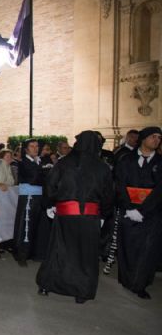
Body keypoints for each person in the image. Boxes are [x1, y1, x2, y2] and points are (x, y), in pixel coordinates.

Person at [36, 131, 114, 304]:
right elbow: (108, 195)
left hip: (65, 214)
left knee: (58, 250)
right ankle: (82, 291)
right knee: (85, 255)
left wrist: (49, 204)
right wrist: (104, 214)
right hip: (90, 217)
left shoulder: (64, 163)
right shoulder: (102, 167)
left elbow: (50, 185)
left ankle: (47, 285)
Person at [114, 126, 162, 299]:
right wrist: (129, 207)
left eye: (159, 137)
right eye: (153, 137)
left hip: (151, 214)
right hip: (128, 211)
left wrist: (143, 210)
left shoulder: (160, 163)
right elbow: (119, 185)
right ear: (143, 139)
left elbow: (159, 191)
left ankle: (139, 284)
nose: (156, 140)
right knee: (128, 247)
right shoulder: (126, 160)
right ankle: (127, 279)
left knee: (147, 250)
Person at [12, 138, 51, 266]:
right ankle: (21, 254)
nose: (35, 148)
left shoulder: (41, 161)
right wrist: (45, 174)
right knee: (26, 226)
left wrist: (43, 174)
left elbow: (43, 177)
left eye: (37, 146)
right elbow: (34, 178)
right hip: (28, 197)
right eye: (32, 146)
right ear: (26, 149)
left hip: (40, 197)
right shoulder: (23, 163)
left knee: (38, 225)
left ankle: (35, 252)